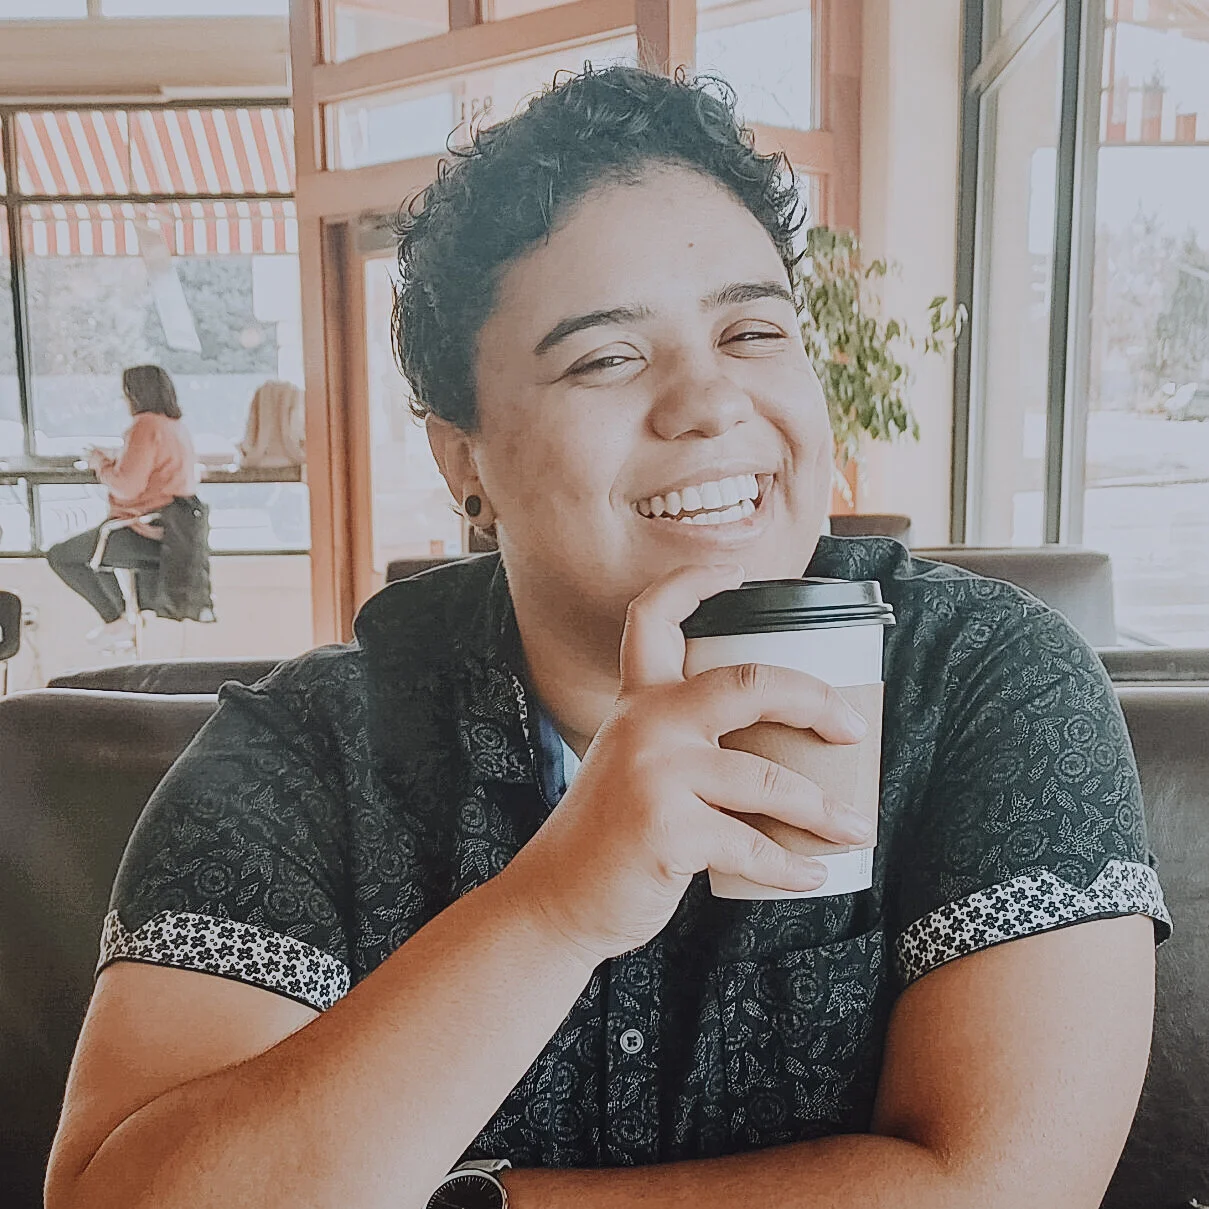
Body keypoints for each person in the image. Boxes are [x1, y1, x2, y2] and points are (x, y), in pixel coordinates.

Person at [46, 67, 1169, 1209]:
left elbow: (1002, 1189)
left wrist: (470, 1199)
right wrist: (558, 903)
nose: (710, 401)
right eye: (604, 357)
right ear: (461, 460)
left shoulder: (983, 685)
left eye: (752, 331)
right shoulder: (305, 755)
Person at [46, 364, 197, 649]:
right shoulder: (175, 427)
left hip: (143, 531)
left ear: (134, 394)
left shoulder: (145, 425)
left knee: (62, 556)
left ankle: (115, 620)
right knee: (96, 554)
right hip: (175, 532)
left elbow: (127, 486)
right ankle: (121, 621)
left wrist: (100, 465)